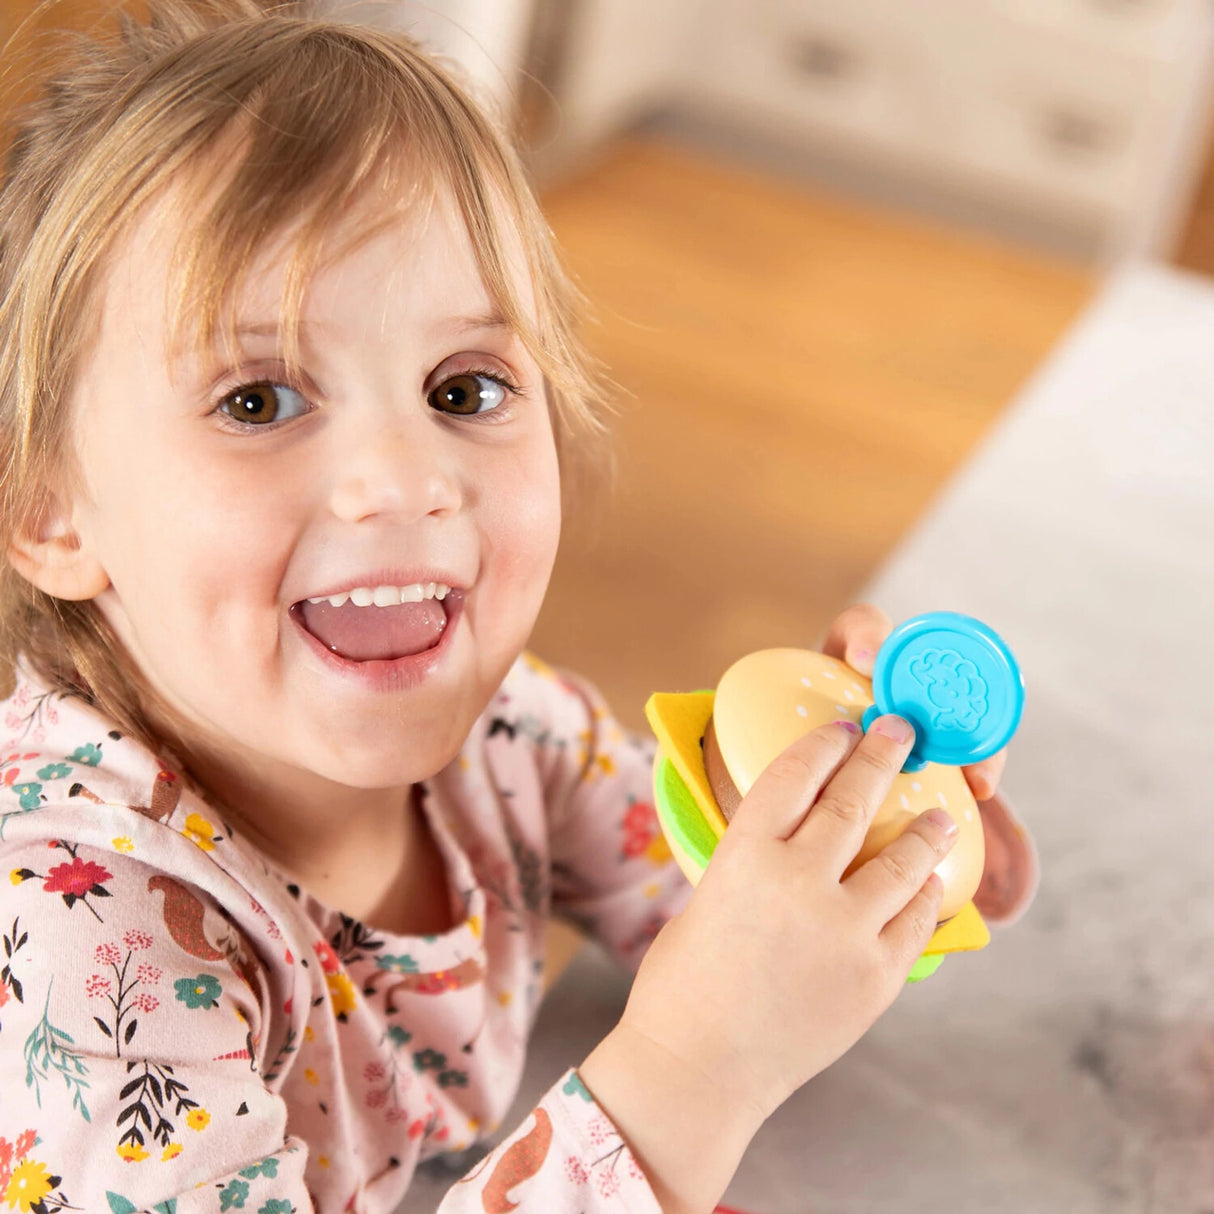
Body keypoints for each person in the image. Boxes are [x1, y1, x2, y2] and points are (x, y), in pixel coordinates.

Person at [0, 3, 1032, 1210]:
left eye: (462, 387)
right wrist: (687, 1072)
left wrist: (864, 815)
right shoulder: (78, 940)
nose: (407, 478)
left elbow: (735, 937)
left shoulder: (513, 737)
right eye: (258, 401)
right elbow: (710, 1036)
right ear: (51, 514)